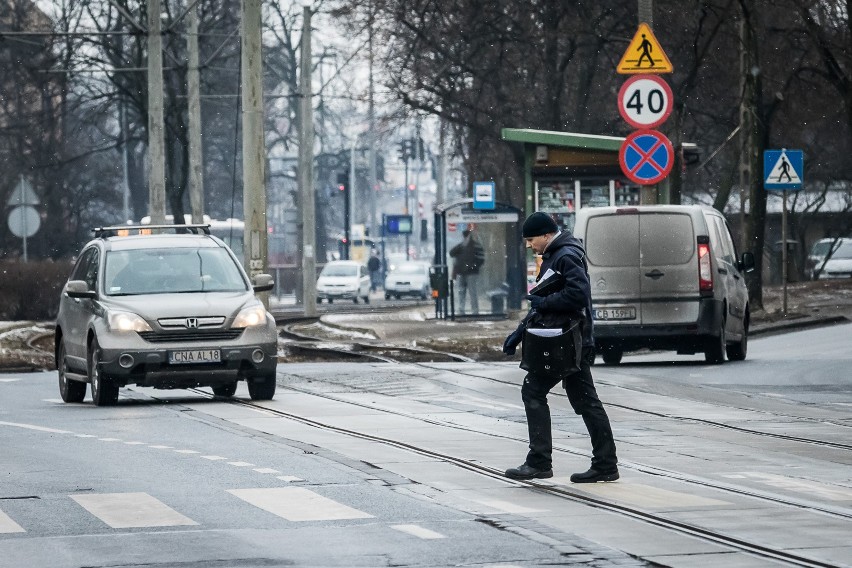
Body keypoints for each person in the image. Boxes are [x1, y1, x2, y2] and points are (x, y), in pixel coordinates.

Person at [502, 212, 619, 483]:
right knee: (585, 401)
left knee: (534, 391)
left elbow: (578, 295)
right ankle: (604, 463)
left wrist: (545, 303)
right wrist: (519, 333)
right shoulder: (557, 254)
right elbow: (542, 300)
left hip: (567, 340)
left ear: (546, 235)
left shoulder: (564, 255)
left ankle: (540, 461)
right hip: (567, 338)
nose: (531, 246)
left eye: (532, 240)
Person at [449, 228, 485, 315]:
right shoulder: (461, 246)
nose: (465, 238)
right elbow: (451, 253)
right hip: (462, 273)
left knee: (471, 292)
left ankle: (475, 311)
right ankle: (462, 310)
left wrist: (473, 267)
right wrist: (461, 245)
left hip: (471, 273)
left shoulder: (476, 246)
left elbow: (481, 260)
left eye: (466, 236)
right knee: (462, 292)